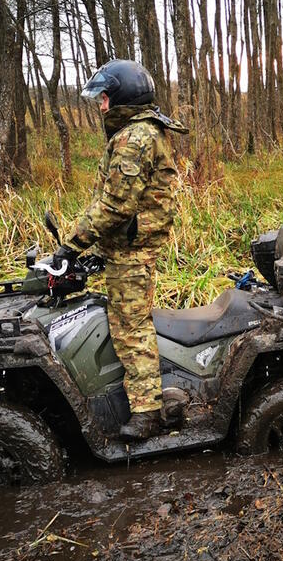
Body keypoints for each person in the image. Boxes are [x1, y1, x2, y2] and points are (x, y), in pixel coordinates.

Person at [51, 59, 189, 440]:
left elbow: (116, 205)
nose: (101, 106)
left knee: (131, 328)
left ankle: (147, 412)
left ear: (123, 98)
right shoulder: (139, 132)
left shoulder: (134, 138)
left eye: (105, 98)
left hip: (133, 251)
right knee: (126, 322)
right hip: (127, 246)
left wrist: (71, 245)